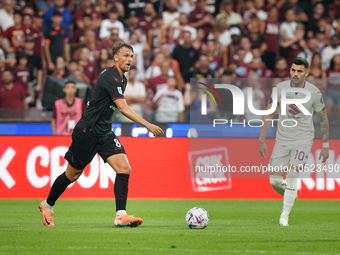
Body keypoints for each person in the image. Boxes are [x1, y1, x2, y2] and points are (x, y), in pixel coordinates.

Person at [39, 41, 164, 227]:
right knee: (72, 175)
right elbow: (122, 107)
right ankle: (47, 205)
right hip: (87, 131)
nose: (129, 60)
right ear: (115, 57)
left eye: (131, 56)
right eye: (125, 56)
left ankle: (121, 215)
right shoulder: (110, 76)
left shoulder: (123, 79)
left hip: (104, 131)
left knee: (124, 168)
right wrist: (147, 124)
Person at [258, 57, 329, 226]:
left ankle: (285, 216)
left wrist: (325, 145)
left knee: (292, 173)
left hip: (303, 139)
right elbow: (269, 113)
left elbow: (324, 119)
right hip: (282, 139)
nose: (295, 74)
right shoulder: (279, 89)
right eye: (293, 70)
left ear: (306, 73)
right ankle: (291, 194)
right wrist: (261, 139)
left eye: (299, 71)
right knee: (274, 181)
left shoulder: (314, 92)